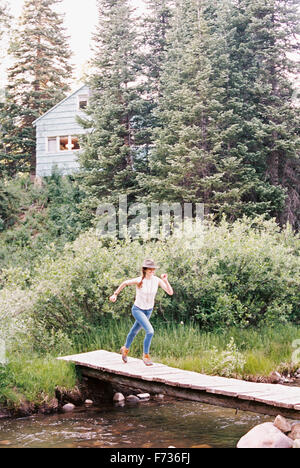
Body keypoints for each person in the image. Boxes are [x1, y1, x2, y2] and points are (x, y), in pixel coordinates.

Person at [109, 259, 174, 366]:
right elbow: (125, 283)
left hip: (148, 310)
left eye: (153, 269)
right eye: (150, 269)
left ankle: (125, 348)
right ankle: (146, 355)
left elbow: (170, 292)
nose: (152, 271)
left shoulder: (157, 280)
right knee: (150, 331)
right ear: (145, 269)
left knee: (134, 331)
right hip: (137, 309)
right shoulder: (139, 280)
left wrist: (166, 281)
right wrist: (115, 294)